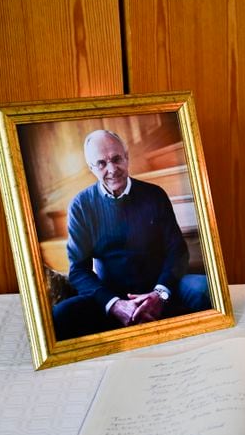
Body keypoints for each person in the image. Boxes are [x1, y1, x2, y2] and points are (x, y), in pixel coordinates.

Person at [52, 129, 210, 340]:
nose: (112, 169)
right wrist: (115, 304)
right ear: (91, 168)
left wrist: (159, 294)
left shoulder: (154, 195)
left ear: (127, 157)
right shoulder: (81, 206)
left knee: (205, 289)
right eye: (101, 163)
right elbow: (79, 270)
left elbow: (178, 251)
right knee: (60, 315)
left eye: (117, 159)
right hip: (111, 296)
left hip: (161, 289)